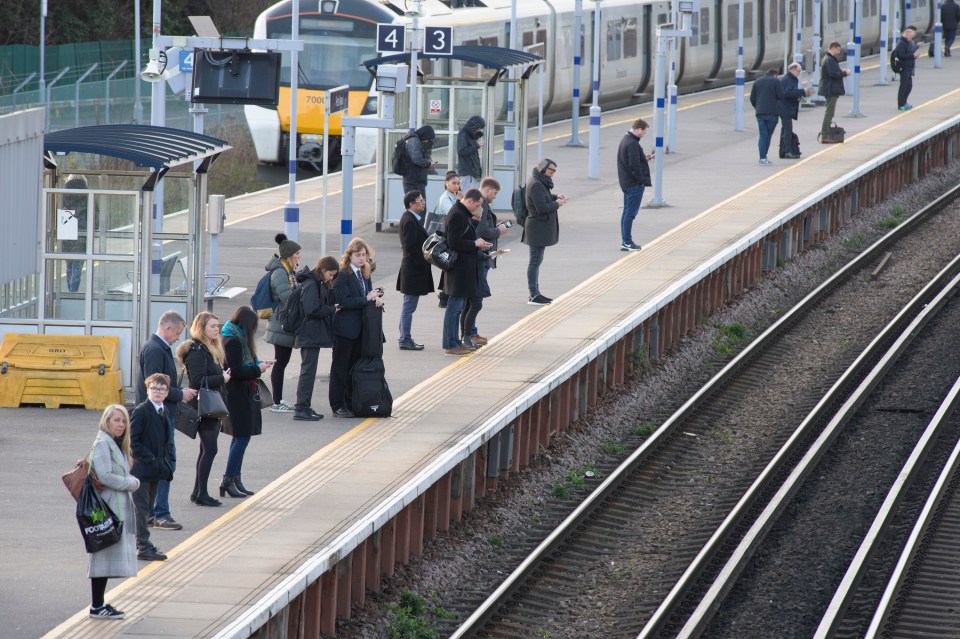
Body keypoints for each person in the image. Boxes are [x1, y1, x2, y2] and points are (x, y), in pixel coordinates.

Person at [135, 310, 196, 532]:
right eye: (177, 333)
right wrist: (180, 394)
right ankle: (160, 513)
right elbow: (155, 385)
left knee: (162, 463)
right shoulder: (155, 350)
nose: (178, 337)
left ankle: (155, 512)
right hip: (156, 416)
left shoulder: (156, 348)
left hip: (159, 413)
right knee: (164, 464)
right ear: (168, 328)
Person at [86, 404, 139, 619]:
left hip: (113, 507)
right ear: (106, 422)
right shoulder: (102, 444)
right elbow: (106, 476)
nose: (121, 424)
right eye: (116, 420)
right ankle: (97, 606)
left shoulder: (114, 444)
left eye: (124, 421)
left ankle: (99, 604)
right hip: (106, 508)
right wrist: (131, 482)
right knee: (101, 555)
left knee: (106, 556)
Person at [179, 311, 231, 507]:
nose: (216, 329)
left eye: (217, 325)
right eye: (212, 326)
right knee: (210, 449)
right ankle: (202, 493)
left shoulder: (209, 348)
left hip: (212, 405)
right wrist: (222, 379)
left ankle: (197, 491)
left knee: (206, 449)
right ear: (201, 328)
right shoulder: (197, 350)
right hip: (204, 406)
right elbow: (197, 381)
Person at [220, 306, 273, 496]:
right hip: (237, 395)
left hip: (242, 394)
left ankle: (235, 479)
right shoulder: (234, 342)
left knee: (241, 437)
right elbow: (237, 371)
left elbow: (244, 366)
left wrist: (258, 365)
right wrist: (259, 370)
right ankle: (228, 479)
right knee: (241, 437)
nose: (253, 331)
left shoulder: (234, 337)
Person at [331, 238, 384, 417]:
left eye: (364, 255)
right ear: (349, 256)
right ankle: (337, 404)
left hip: (360, 329)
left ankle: (350, 401)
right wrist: (366, 298)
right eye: (358, 255)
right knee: (340, 368)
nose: (361, 259)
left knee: (353, 367)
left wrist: (374, 297)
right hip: (345, 329)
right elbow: (343, 301)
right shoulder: (343, 274)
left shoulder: (364, 273)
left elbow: (365, 295)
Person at [129, 373, 174, 562]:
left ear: (166, 393)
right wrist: (152, 459)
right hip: (142, 469)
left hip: (156, 469)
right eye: (154, 388)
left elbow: (167, 441)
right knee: (141, 508)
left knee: (147, 508)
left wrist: (167, 462)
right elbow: (133, 441)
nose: (157, 392)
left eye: (161, 389)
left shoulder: (163, 411)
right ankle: (143, 546)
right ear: (147, 390)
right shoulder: (141, 411)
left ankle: (140, 543)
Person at [441, 189, 491, 355]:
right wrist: (475, 244)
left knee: (457, 308)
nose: (477, 208)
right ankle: (450, 344)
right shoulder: (457, 215)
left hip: (462, 271)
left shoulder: (462, 214)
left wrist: (477, 242)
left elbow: (463, 238)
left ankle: (455, 342)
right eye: (476, 205)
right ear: (469, 200)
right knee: (454, 309)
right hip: (458, 272)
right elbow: (454, 243)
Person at [462, 177, 508, 347]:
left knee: (473, 300)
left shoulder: (482, 206)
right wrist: (498, 231)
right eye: (494, 193)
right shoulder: (481, 206)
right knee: (475, 299)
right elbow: (481, 230)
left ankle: (470, 333)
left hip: (481, 254)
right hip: (480, 256)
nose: (495, 197)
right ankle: (470, 334)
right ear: (487, 190)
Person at [293, 256, 338, 419]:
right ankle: (301, 407)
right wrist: (331, 309)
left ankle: (304, 406)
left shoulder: (315, 282)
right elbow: (311, 309)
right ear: (323, 270)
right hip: (308, 333)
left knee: (309, 370)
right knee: (308, 371)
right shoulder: (312, 284)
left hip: (309, 333)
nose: (331, 278)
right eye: (330, 274)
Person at [263, 233, 301, 413]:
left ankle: (278, 400)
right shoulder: (280, 272)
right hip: (281, 322)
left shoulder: (288, 270)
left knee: (282, 361)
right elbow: (286, 296)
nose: (299, 256)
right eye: (297, 253)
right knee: (280, 362)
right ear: (288, 255)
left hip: (283, 322)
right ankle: (276, 402)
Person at [523, 158, 567, 306]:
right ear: (542, 169)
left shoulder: (539, 181)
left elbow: (542, 199)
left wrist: (555, 197)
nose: (552, 174)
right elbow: (541, 208)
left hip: (538, 228)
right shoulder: (536, 184)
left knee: (537, 261)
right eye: (551, 171)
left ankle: (535, 293)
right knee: (534, 261)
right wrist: (557, 204)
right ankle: (534, 294)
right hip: (537, 229)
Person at [396, 190, 434, 351]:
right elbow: (410, 247)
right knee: (409, 306)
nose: (423, 202)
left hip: (412, 269)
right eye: (420, 200)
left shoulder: (412, 219)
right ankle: (404, 338)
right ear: (412, 204)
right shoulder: (410, 221)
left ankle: (405, 337)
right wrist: (424, 261)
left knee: (408, 305)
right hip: (413, 270)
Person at [616, 118, 653, 251]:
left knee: (627, 212)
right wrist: (641, 180)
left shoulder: (626, 140)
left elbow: (631, 160)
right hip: (633, 184)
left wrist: (644, 158)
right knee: (630, 213)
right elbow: (633, 165)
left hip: (627, 183)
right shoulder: (632, 143)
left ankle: (626, 241)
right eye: (644, 132)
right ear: (639, 130)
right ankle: (626, 242)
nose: (644, 135)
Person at [429, 171, 463, 308]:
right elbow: (454, 214)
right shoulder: (445, 199)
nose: (456, 186)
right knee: (449, 264)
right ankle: (445, 295)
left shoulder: (453, 196)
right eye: (454, 183)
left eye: (458, 183)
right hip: (445, 237)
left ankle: (444, 295)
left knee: (447, 265)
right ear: (446, 183)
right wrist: (461, 201)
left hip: (449, 235)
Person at [750, 68, 784, 165]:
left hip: (760, 113)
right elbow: (781, 95)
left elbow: (752, 98)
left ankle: (762, 157)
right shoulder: (776, 81)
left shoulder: (757, 82)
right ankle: (764, 157)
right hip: (772, 113)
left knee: (762, 135)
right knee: (768, 135)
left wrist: (758, 107)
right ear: (775, 75)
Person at [778, 63, 812, 159]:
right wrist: (802, 91)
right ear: (792, 70)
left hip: (786, 107)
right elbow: (787, 93)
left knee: (785, 129)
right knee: (788, 129)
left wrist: (800, 96)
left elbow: (791, 93)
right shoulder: (788, 79)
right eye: (798, 71)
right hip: (785, 108)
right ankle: (787, 151)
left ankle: (783, 151)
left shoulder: (790, 79)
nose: (799, 73)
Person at [819, 42, 851, 141]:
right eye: (838, 50)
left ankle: (826, 134)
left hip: (831, 89)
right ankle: (824, 135)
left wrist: (841, 72)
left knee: (830, 112)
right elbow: (833, 74)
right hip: (830, 89)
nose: (839, 52)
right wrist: (844, 73)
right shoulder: (828, 60)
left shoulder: (829, 59)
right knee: (829, 112)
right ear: (833, 48)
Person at [62, 175, 88, 293]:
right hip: (82, 231)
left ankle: (70, 292)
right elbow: (95, 213)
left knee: (69, 266)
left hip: (66, 229)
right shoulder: (87, 194)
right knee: (77, 264)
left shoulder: (63, 193)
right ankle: (73, 292)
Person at [401, 125, 437, 196]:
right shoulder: (414, 141)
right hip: (414, 181)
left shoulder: (413, 140)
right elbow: (417, 159)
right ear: (424, 135)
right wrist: (428, 162)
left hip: (413, 179)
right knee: (418, 205)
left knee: (418, 204)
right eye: (427, 138)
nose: (427, 141)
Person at [894, 28, 922, 110]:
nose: (911, 39)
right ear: (907, 36)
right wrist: (913, 56)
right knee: (903, 86)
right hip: (904, 68)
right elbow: (902, 55)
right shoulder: (901, 44)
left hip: (909, 68)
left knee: (909, 86)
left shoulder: (907, 43)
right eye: (911, 37)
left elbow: (909, 52)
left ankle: (904, 102)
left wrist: (916, 50)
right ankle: (901, 104)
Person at [456, 115, 486, 192]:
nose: (479, 130)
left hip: (471, 172)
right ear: (474, 126)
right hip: (467, 172)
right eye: (479, 128)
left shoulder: (469, 134)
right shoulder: (463, 134)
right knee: (465, 196)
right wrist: (476, 145)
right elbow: (462, 151)